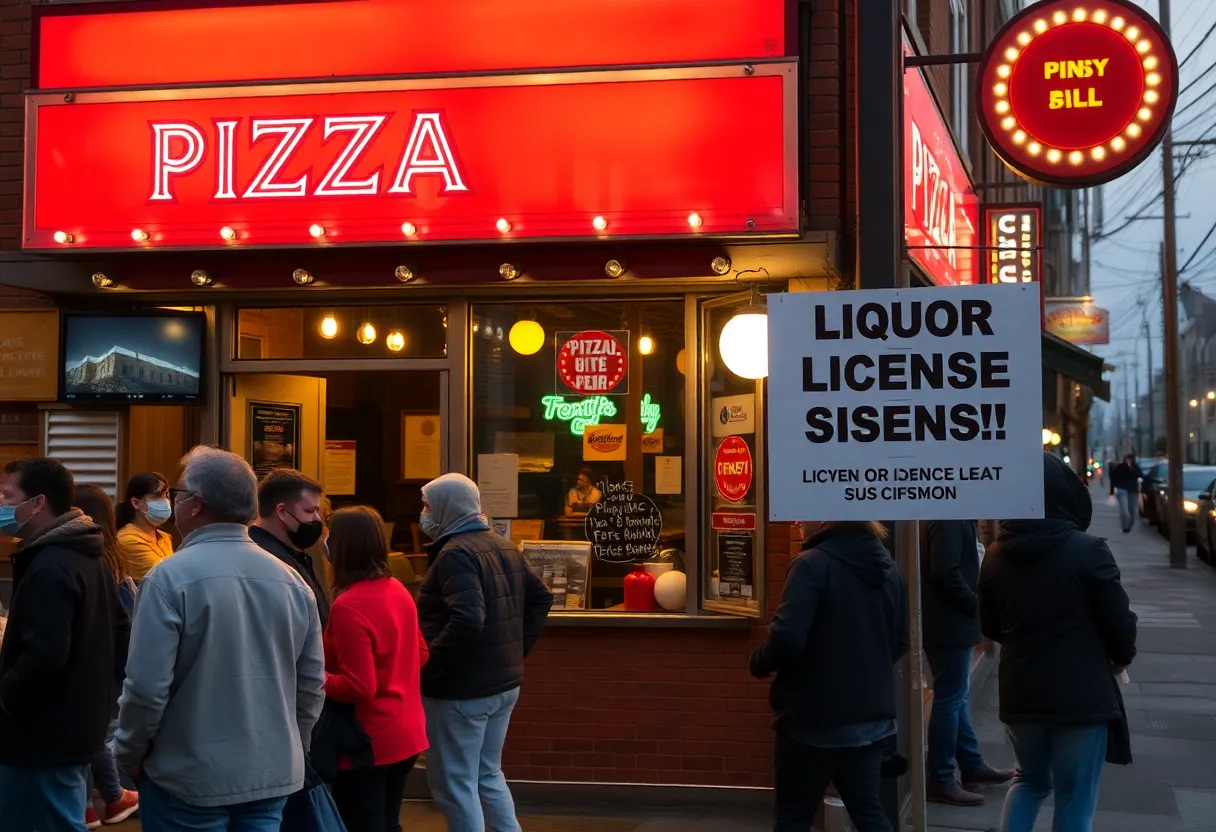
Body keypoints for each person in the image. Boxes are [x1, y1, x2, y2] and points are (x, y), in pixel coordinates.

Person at [115, 447, 325, 831]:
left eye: (177, 494)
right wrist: (294, 744)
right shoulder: (292, 581)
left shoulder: (167, 579)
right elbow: (311, 685)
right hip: (271, 772)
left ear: (196, 503)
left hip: (186, 777)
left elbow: (146, 688)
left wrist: (128, 753)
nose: (172, 503)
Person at [980, 453, 1138, 832]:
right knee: (1074, 799)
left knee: (1028, 781)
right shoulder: (1088, 550)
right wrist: (1119, 659)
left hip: (1021, 694)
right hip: (1081, 697)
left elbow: (991, 626)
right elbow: (1120, 624)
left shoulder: (995, 557)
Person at [749, 520, 909, 832]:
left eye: (802, 513)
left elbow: (788, 637)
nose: (796, 521)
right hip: (870, 720)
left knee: (794, 818)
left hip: (811, 719)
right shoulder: (890, 568)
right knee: (868, 811)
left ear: (824, 519)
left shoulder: (810, 565)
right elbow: (901, 638)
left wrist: (759, 662)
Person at [417, 473, 554, 832]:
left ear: (447, 506)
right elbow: (541, 597)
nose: (424, 513)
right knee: (487, 773)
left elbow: (467, 619)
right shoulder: (503, 545)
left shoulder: (455, 554)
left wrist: (431, 666)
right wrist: (514, 651)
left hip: (460, 690)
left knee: (455, 783)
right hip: (502, 683)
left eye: (428, 505)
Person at [0, 458, 127, 831]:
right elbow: (121, 630)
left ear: (38, 502)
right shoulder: (88, 556)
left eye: (8, 496)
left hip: (41, 736)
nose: (2, 504)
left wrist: (7, 695)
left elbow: (44, 655)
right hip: (76, 725)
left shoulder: (50, 566)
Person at [324, 505, 429, 832]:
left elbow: (359, 687)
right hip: (406, 733)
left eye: (330, 535)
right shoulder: (398, 589)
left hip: (368, 741)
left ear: (342, 545)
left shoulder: (348, 605)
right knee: (388, 822)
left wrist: (317, 677)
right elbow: (421, 653)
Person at [921, 520, 1013, 807]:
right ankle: (940, 778)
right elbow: (946, 573)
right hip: (948, 623)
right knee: (950, 698)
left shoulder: (954, 517)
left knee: (956, 697)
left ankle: (971, 765)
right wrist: (976, 606)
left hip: (950, 622)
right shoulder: (949, 518)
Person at [73, 484, 141, 828]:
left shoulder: (86, 562)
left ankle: (91, 803)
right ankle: (110, 798)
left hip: (94, 665)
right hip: (114, 664)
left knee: (88, 733)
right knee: (97, 733)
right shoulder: (116, 560)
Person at [250, 468, 331, 629]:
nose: (317, 519)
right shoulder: (268, 562)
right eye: (310, 511)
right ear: (282, 511)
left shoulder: (290, 553)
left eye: (317, 511)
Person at [116, 471, 175, 581]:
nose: (166, 501)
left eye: (167, 495)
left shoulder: (165, 538)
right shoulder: (128, 539)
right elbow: (164, 578)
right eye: (157, 496)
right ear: (136, 503)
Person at [1108, 454, 1144, 533]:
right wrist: (1112, 491)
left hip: (1133, 490)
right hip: (1122, 489)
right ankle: (1125, 527)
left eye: (1130, 459)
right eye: (1127, 459)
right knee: (1124, 509)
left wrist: (1131, 467)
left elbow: (1141, 475)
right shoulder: (1120, 467)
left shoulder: (1135, 467)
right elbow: (1113, 478)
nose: (1129, 460)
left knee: (1133, 510)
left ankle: (1130, 525)